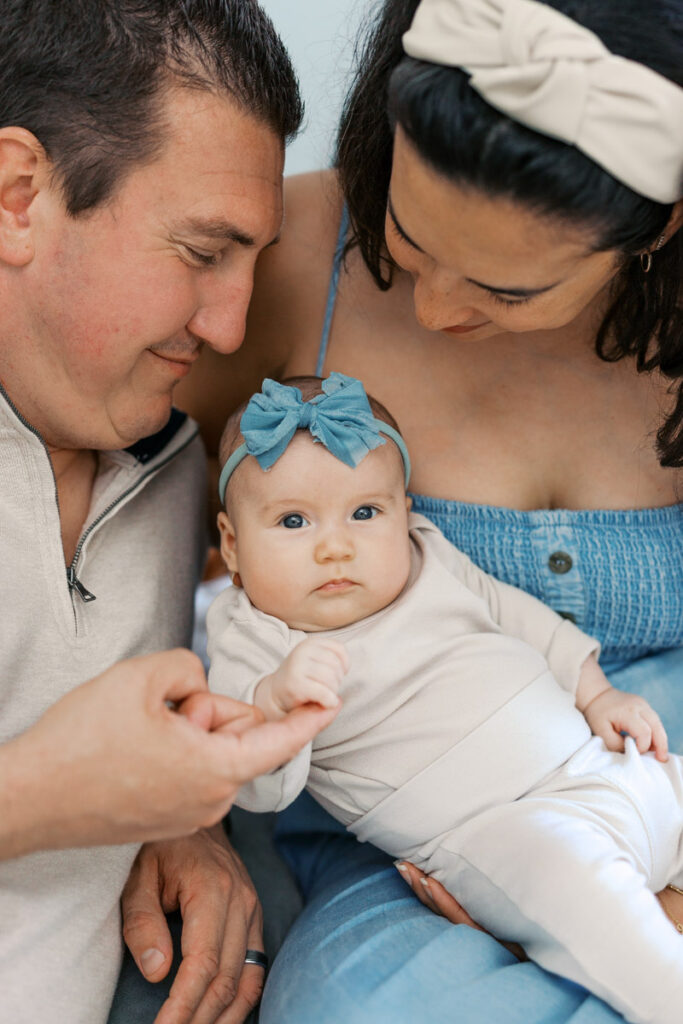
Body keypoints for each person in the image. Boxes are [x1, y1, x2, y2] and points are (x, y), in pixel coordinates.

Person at [175, 0, 683, 1020]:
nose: (432, 309)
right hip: (425, 849)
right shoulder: (281, 256)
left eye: (505, 287)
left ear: (657, 229)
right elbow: (112, 510)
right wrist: (171, 814)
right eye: (405, 238)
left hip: (640, 763)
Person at [0, 3, 338, 1023]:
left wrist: (179, 820)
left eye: (251, 261)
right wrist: (46, 794)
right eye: (201, 251)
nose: (231, 326)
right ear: (19, 196)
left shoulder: (178, 465)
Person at [207, 371, 683, 1024]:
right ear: (232, 544)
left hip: (606, 764)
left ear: (404, 512)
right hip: (506, 831)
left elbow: (519, 616)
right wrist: (276, 703)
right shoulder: (252, 638)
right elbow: (251, 785)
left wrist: (597, 694)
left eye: (365, 513)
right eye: (293, 521)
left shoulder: (427, 556)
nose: (335, 547)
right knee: (595, 909)